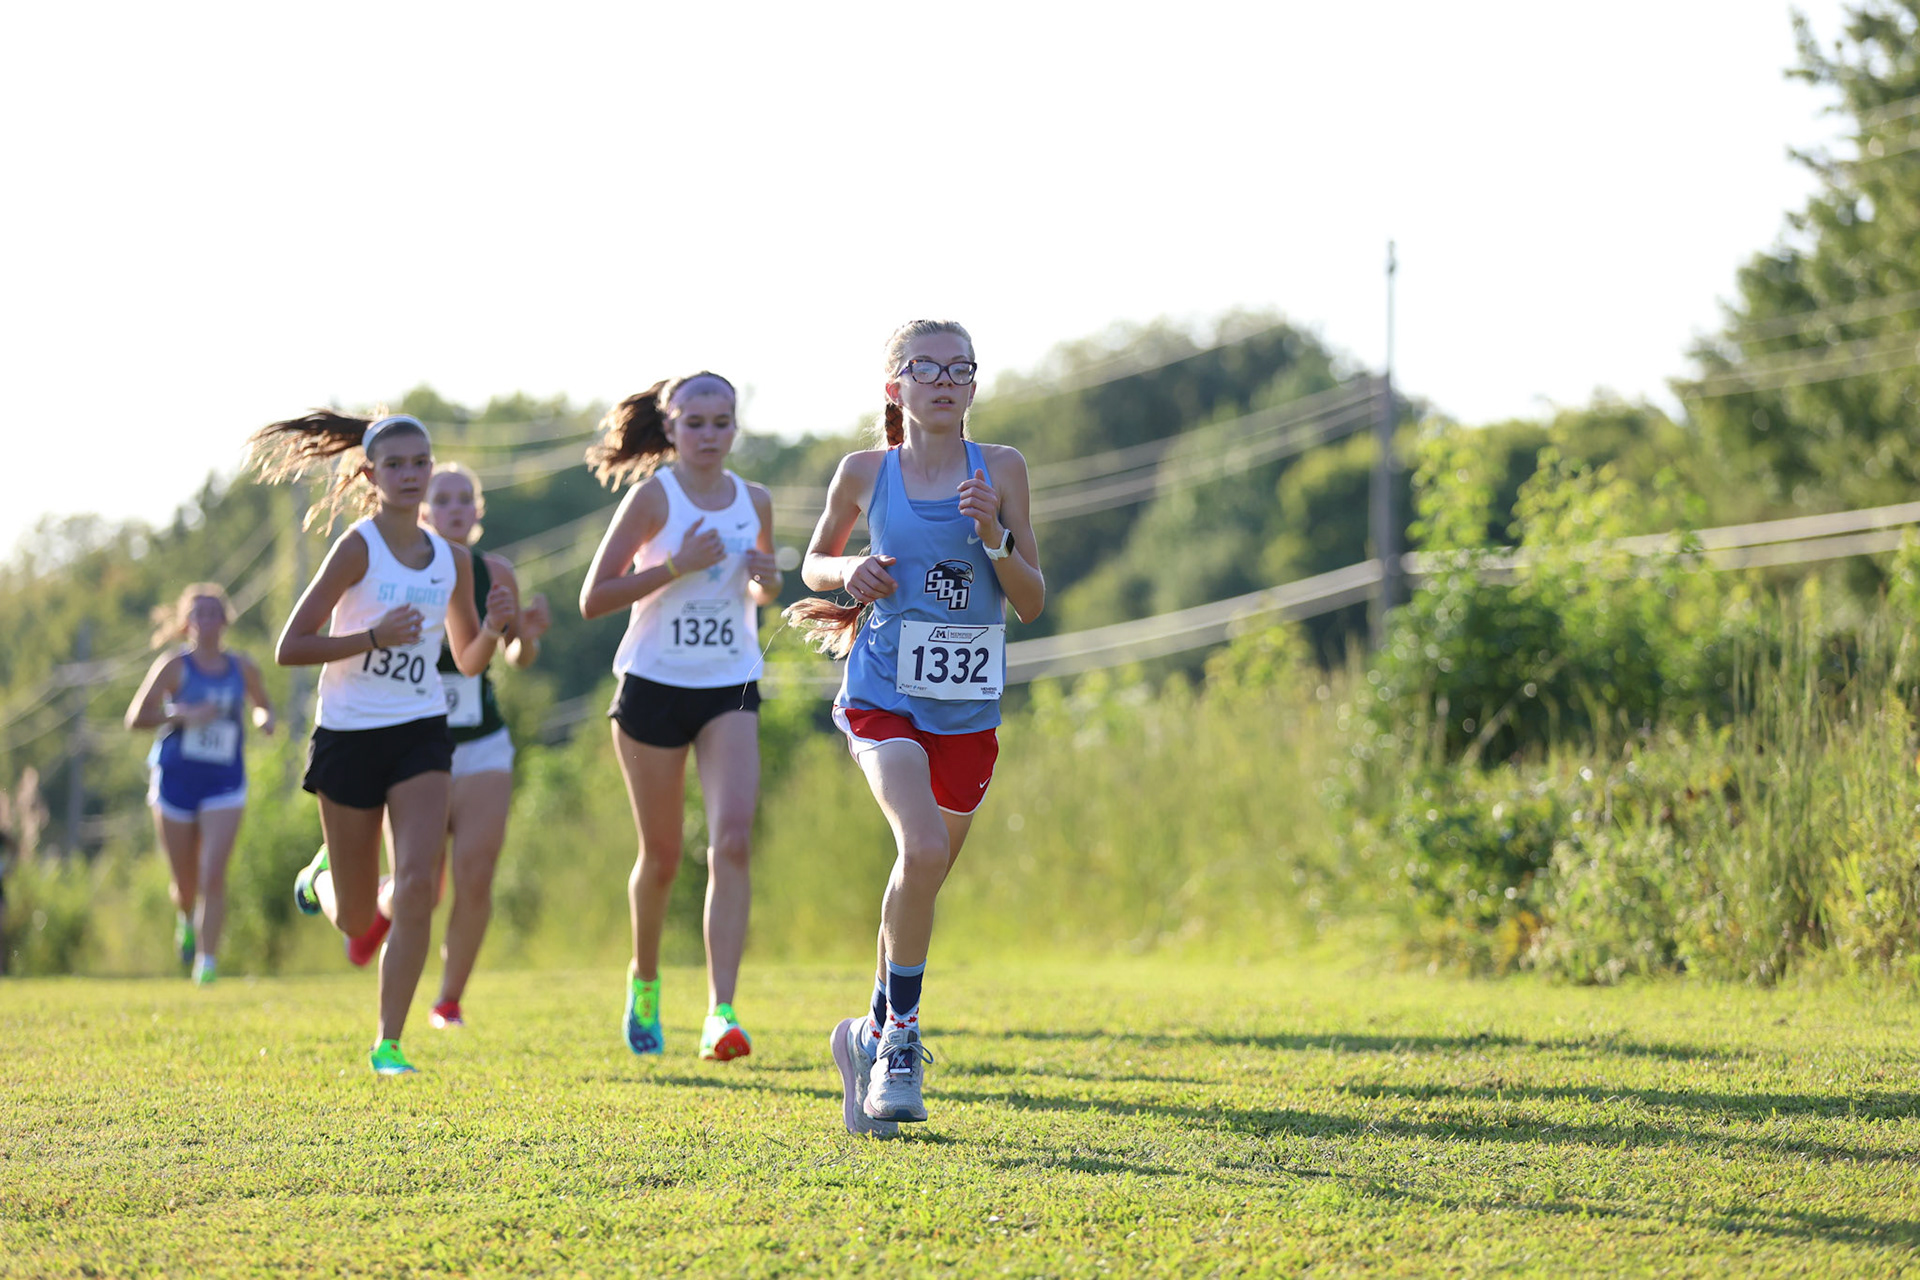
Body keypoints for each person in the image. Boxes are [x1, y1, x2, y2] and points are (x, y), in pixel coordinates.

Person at [789, 320, 1044, 1136]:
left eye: (959, 369)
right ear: (894, 386)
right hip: (883, 695)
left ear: (973, 386)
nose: (944, 381)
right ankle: (901, 1039)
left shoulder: (1002, 469)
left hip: (967, 712)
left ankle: (864, 1038)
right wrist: (848, 570)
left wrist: (995, 537)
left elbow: (1031, 600)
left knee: (922, 878)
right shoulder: (866, 472)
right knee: (922, 848)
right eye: (925, 368)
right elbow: (813, 561)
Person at [248, 411, 514, 1075]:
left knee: (420, 885)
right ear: (370, 475)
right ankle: (319, 879)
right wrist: (371, 639)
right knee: (356, 916)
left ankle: (389, 1043)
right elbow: (290, 646)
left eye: (420, 462)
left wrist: (493, 628)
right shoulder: (357, 549)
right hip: (348, 734)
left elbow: (467, 661)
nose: (410, 474)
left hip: (420, 732)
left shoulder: (452, 561)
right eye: (395, 465)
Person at [579, 372, 781, 1062]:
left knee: (733, 841)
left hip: (730, 684)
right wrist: (675, 566)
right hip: (653, 686)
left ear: (735, 427)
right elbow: (593, 598)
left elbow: (762, 588)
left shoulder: (755, 500)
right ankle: (644, 981)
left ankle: (721, 1013)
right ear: (670, 428)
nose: (709, 435)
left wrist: (766, 580)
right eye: (695, 422)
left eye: (722, 422)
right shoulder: (652, 499)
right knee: (662, 856)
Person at [414, 461, 549, 1027]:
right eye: (442, 499)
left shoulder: (496, 573)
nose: (454, 509)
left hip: (483, 742)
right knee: (421, 885)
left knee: (475, 874)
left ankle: (448, 999)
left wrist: (528, 637)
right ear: (423, 510)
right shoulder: (404, 569)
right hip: (414, 744)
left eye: (464, 499)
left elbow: (516, 655)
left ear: (477, 510)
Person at [123, 584, 276, 985]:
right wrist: (180, 714)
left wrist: (264, 720)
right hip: (176, 782)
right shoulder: (174, 666)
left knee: (213, 874)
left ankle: (206, 964)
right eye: (198, 614)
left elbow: (262, 704)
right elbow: (135, 718)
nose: (206, 621)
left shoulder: (242, 667)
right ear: (186, 623)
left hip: (224, 783)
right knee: (186, 884)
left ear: (225, 620)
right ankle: (185, 918)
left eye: (213, 613)